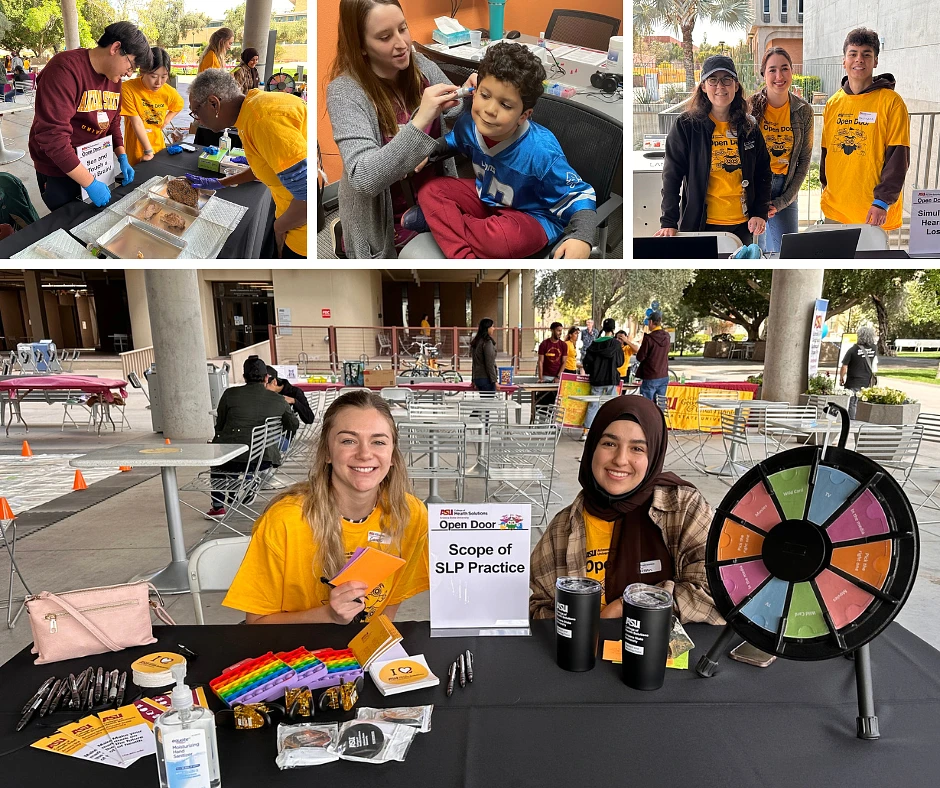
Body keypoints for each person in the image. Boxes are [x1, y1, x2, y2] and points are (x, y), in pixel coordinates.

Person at [223, 390, 430, 624]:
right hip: (290, 651)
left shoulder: (410, 515)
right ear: (327, 453)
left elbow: (390, 602)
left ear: (392, 455)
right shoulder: (285, 520)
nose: (364, 454)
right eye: (348, 441)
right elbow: (257, 624)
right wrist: (329, 616)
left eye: (379, 441)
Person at [529, 396, 722, 624]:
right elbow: (541, 606)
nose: (620, 459)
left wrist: (625, 607)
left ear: (654, 455)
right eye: (609, 444)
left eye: (637, 448)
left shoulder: (682, 508)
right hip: (589, 654)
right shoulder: (564, 527)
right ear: (592, 448)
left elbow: (716, 590)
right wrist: (583, 633)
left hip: (660, 654)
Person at [409, 42, 596, 259]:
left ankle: (442, 224)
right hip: (487, 196)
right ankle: (458, 243)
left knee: (500, 241)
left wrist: (582, 236)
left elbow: (580, 195)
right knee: (431, 190)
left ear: (524, 115)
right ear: (474, 91)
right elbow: (453, 142)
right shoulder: (470, 124)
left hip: (531, 216)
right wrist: (428, 151)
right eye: (485, 95)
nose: (490, 110)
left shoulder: (541, 151)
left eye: (505, 105)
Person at [326, 0, 477, 258]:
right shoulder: (345, 92)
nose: (401, 44)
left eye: (403, 29)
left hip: (434, 201)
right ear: (361, 45)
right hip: (385, 225)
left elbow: (453, 114)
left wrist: (471, 95)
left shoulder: (421, 66)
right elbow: (363, 177)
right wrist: (419, 122)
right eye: (385, 37)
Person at [27, 21, 150, 211]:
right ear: (116, 48)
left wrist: (122, 155)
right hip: (59, 169)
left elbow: (113, 122)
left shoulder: (113, 78)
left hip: (94, 163)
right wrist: (89, 182)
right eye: (131, 65)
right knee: (68, 224)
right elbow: (52, 137)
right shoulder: (64, 70)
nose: (128, 73)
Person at [184, 69, 307, 257]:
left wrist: (279, 227)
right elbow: (267, 166)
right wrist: (220, 183)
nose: (197, 121)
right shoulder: (250, 110)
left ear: (213, 103)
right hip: (291, 217)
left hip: (301, 232)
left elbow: (307, 198)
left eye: (196, 112)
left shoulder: (262, 120)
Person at [657, 55, 771, 247]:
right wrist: (669, 221)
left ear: (736, 85)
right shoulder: (687, 126)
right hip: (701, 224)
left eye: (727, 79)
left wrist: (760, 212)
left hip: (743, 225)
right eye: (713, 80)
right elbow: (672, 176)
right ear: (703, 86)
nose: (720, 86)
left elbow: (763, 172)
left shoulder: (749, 126)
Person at [820, 27, 910, 233]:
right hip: (835, 211)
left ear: (875, 61)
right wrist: (825, 188)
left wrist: (882, 202)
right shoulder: (833, 103)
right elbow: (827, 153)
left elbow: (899, 157)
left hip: (873, 213)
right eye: (853, 54)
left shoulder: (891, 103)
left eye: (866, 54)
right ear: (844, 61)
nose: (859, 59)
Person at [206, 357, 300, 518]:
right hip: (263, 460)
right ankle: (246, 487)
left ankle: (218, 506)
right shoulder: (278, 400)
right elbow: (293, 425)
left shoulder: (230, 394)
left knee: (221, 459)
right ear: (266, 378)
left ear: (244, 377)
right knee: (241, 452)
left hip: (230, 460)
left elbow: (220, 425)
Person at [748, 47, 814, 254]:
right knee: (756, 252)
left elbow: (804, 160)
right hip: (755, 190)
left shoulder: (804, 111)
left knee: (788, 252)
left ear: (792, 72)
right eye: (772, 70)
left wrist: (784, 200)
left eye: (784, 69)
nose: (779, 76)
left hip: (786, 188)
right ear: (763, 74)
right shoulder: (749, 108)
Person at [119, 47, 184, 166]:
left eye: (164, 76)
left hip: (159, 146)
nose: (159, 82)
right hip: (137, 149)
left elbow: (179, 104)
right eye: (154, 76)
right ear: (143, 71)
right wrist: (148, 151)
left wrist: (166, 120)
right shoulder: (128, 89)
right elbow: (136, 122)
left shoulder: (168, 92)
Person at [580, 318, 623, 441]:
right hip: (611, 379)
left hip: (597, 379)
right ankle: (613, 431)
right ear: (613, 329)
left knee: (593, 405)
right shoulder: (615, 344)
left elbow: (586, 361)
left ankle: (586, 432)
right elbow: (620, 362)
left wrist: (591, 371)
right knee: (613, 405)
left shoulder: (594, 344)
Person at [839, 325, 878, 419]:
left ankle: (852, 422)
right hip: (867, 381)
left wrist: (841, 378)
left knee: (852, 404)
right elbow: (875, 364)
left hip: (853, 381)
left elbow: (844, 367)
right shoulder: (874, 348)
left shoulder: (853, 350)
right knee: (863, 404)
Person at [636, 311, 671, 403]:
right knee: (660, 404)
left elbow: (640, 357)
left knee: (647, 405)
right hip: (664, 375)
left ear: (651, 322)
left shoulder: (649, 338)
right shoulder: (667, 336)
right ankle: (660, 417)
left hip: (650, 375)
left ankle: (647, 418)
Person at [470, 317, 498, 392]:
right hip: (487, 379)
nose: (493, 328)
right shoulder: (487, 342)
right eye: (492, 326)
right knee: (489, 402)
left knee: (484, 401)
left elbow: (474, 363)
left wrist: (473, 379)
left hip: (478, 378)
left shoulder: (476, 342)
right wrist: (494, 381)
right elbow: (489, 363)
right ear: (487, 328)